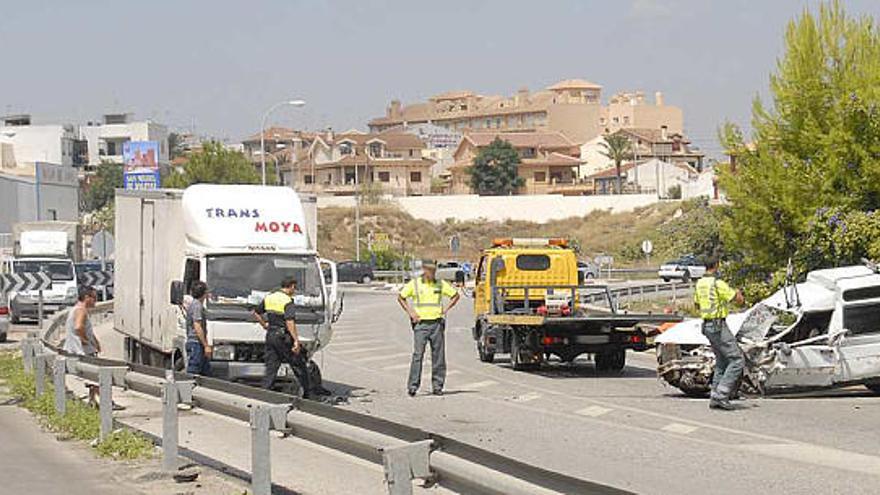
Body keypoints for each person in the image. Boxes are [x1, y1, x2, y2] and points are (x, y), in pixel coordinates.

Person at [397, 259, 460, 397]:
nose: (433, 273)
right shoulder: (415, 284)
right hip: (421, 325)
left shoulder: (440, 284)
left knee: (438, 356)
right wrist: (411, 313)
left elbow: (455, 296)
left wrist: (445, 310)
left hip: (437, 323)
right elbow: (401, 297)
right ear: (425, 270)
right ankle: (413, 386)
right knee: (418, 355)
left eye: (434, 270)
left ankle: (437, 386)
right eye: (430, 270)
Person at [693, 257, 745, 411]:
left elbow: (696, 304)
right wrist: (738, 293)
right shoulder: (718, 283)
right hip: (718, 325)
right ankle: (722, 395)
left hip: (707, 326)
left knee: (722, 360)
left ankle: (715, 395)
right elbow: (738, 300)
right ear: (716, 265)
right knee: (736, 360)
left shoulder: (700, 283)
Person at [253, 277, 311, 397]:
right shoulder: (287, 301)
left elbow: (256, 313)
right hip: (283, 337)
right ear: (292, 286)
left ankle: (264, 394)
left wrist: (265, 325)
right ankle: (307, 395)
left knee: (271, 368)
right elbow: (290, 322)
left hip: (271, 335)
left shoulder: (269, 297)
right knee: (298, 364)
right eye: (294, 287)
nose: (294, 290)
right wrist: (296, 341)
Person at [186, 281, 211, 375]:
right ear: (204, 293)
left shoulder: (195, 304)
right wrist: (206, 345)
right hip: (196, 343)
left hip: (197, 344)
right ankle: (188, 389)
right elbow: (197, 326)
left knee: (205, 372)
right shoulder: (197, 306)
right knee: (193, 371)